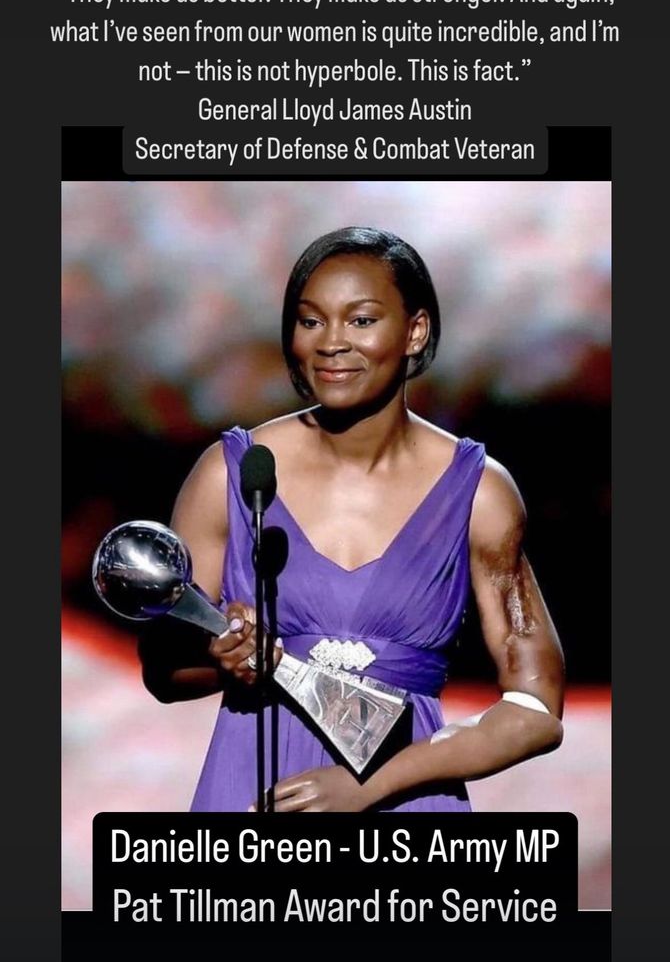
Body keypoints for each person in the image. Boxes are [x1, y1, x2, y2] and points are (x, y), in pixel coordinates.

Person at [138, 225, 565, 812]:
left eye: (361, 320)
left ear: (415, 331)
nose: (331, 343)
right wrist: (223, 656)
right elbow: (164, 674)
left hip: (407, 802)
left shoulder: (478, 492)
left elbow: (537, 711)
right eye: (311, 321)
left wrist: (371, 787)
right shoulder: (232, 475)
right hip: (256, 791)